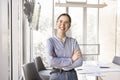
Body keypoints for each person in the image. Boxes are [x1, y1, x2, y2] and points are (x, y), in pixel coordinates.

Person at [46, 13, 83, 80]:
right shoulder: (50, 41)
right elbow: (51, 61)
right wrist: (71, 59)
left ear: (69, 26)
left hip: (72, 75)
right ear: (56, 23)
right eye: (60, 21)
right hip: (56, 75)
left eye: (66, 22)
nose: (62, 25)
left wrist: (64, 67)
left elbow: (79, 61)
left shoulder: (73, 42)